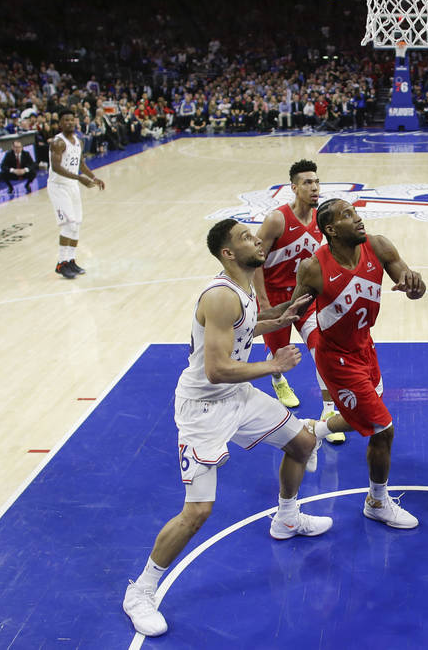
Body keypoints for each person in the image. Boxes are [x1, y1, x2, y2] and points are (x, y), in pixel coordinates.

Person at [121, 219, 331, 638]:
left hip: (237, 396)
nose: (256, 239)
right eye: (245, 238)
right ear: (228, 254)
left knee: (303, 443)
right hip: (203, 408)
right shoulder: (220, 296)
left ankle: (286, 519)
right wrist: (273, 364)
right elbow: (216, 370)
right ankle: (139, 592)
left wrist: (276, 320)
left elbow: (244, 327)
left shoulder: (245, 288)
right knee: (197, 511)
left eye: (254, 235)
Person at [288, 197, 427, 529]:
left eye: (357, 213)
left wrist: (414, 286)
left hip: (365, 347)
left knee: (363, 415)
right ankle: (377, 501)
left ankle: (315, 430)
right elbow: (294, 311)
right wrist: (304, 335)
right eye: (349, 216)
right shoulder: (314, 267)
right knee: (383, 428)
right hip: (336, 358)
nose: (359, 219)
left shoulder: (377, 246)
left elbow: (408, 282)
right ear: (332, 230)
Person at [252, 160, 331, 422]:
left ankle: (330, 411)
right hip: (275, 298)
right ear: (294, 188)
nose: (314, 187)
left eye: (317, 182)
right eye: (308, 183)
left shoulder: (321, 219)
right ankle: (277, 379)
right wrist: (263, 301)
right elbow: (255, 260)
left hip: (304, 296)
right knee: (280, 353)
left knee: (320, 348)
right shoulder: (277, 219)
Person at [47, 108, 106, 279]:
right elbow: (57, 168)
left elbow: (80, 164)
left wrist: (94, 177)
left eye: (71, 120)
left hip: (72, 184)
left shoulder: (78, 142)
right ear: (60, 123)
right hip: (58, 186)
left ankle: (71, 260)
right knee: (68, 225)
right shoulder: (58, 142)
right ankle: (61, 263)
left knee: (76, 225)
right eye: (65, 120)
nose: (69, 123)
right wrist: (80, 179)